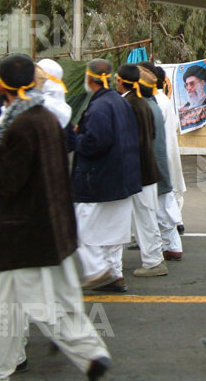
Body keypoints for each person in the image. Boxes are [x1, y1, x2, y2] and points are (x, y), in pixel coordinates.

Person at [0, 54, 111, 381]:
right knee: (24, 308)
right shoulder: (43, 117)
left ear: (4, 87)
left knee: (15, 310)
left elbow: (8, 180)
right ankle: (87, 356)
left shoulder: (22, 124)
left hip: (19, 232)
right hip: (44, 228)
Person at [71, 59, 142, 292]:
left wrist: (75, 138)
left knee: (81, 227)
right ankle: (115, 273)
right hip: (121, 178)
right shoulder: (119, 102)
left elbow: (96, 142)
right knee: (112, 232)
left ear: (90, 78)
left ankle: (98, 271)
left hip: (99, 178)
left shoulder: (100, 106)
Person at [115, 65, 167, 277]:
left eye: (117, 79)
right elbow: (151, 134)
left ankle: (154, 261)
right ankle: (154, 259)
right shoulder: (143, 103)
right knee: (145, 216)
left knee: (144, 217)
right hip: (145, 167)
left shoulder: (128, 104)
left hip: (138, 170)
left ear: (122, 82)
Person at [138, 64, 184, 262]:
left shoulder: (155, 103)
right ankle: (169, 244)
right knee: (162, 202)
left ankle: (160, 249)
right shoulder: (158, 101)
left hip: (158, 156)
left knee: (157, 205)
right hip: (161, 156)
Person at [152, 65, 186, 233]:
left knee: (164, 194)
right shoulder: (163, 100)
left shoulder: (157, 102)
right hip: (165, 152)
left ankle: (174, 224)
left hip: (160, 153)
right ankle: (175, 222)